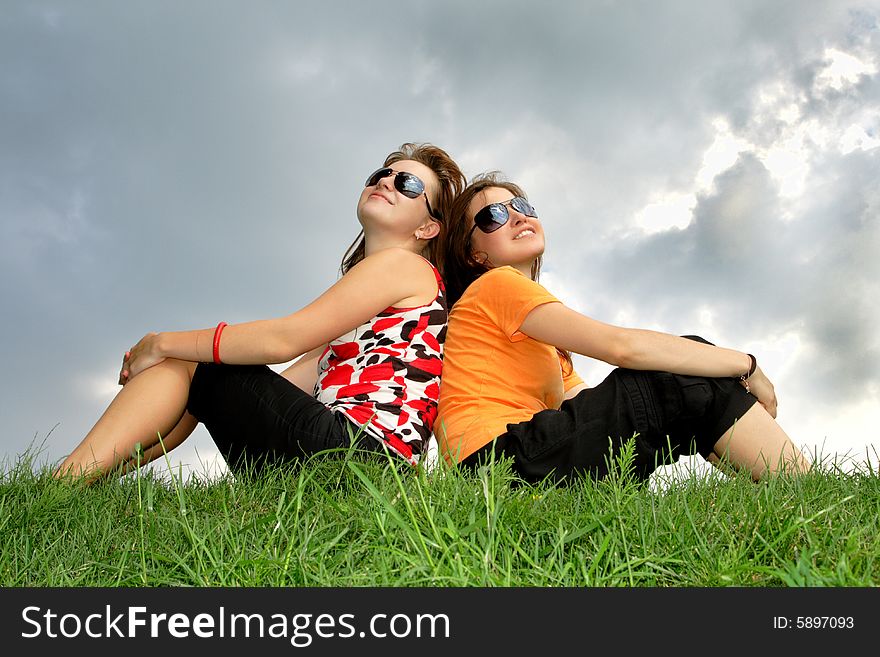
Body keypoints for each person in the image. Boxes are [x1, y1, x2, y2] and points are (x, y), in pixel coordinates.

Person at [54, 143, 465, 482]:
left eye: (408, 184)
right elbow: (277, 388)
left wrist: (161, 343)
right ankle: (84, 482)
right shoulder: (374, 308)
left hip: (361, 456)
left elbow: (282, 340)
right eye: (380, 174)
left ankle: (67, 480)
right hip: (356, 467)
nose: (387, 181)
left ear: (427, 228)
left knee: (202, 361)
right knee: (204, 378)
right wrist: (197, 380)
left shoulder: (404, 266)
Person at [435, 172, 811, 484]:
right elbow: (622, 348)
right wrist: (746, 364)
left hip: (515, 460)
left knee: (690, 374)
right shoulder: (496, 285)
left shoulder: (542, 344)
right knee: (682, 373)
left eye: (522, 207)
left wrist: (704, 399)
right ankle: (805, 489)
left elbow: (586, 402)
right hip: (495, 460)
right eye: (492, 217)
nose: (517, 217)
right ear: (475, 254)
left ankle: (782, 490)